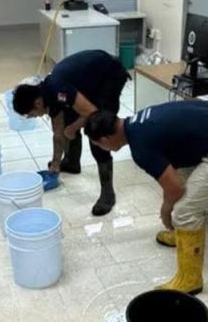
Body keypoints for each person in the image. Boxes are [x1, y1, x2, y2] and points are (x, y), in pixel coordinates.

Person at [86, 102, 208, 293]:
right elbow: (172, 178)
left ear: (105, 140)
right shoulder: (136, 122)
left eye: (98, 145)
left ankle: (190, 280)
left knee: (184, 211)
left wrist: (166, 210)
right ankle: (181, 235)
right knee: (181, 187)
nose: (103, 149)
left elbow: (175, 188)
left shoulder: (140, 146)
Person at [12, 49, 130, 216]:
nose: (34, 117)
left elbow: (93, 114)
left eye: (31, 114)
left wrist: (73, 128)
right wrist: (55, 164)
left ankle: (107, 194)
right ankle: (72, 162)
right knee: (69, 118)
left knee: (97, 130)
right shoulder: (49, 96)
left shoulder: (58, 89)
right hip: (89, 80)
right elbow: (58, 133)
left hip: (109, 74)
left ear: (37, 104)